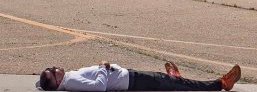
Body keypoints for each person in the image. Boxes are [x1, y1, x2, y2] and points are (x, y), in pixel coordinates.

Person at [37, 61, 240, 91]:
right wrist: (102, 66)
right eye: (53, 72)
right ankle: (221, 83)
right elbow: (98, 88)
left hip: (130, 77)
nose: (56, 68)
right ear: (56, 81)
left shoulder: (68, 79)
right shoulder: (71, 81)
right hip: (131, 81)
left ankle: (174, 76)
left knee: (169, 82)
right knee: (174, 84)